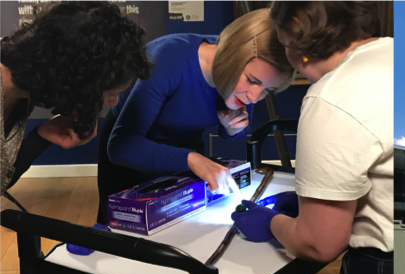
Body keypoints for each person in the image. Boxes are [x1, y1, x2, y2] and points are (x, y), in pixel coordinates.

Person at [232, 0, 393, 274]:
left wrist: (271, 224)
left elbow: (319, 244)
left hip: (386, 271)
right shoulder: (393, 54)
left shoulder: (332, 98)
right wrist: (321, 201)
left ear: (295, 34)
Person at [96, 9, 294, 224]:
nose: (255, 97)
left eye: (268, 89)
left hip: (186, 153)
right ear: (231, 58)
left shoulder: (251, 74)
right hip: (131, 158)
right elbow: (121, 147)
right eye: (252, 81)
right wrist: (191, 159)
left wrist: (231, 129)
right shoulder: (168, 59)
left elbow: (237, 132)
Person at [1, 0, 151, 194]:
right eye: (111, 95)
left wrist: (41, 136)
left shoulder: (23, 92)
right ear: (80, 82)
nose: (113, 102)